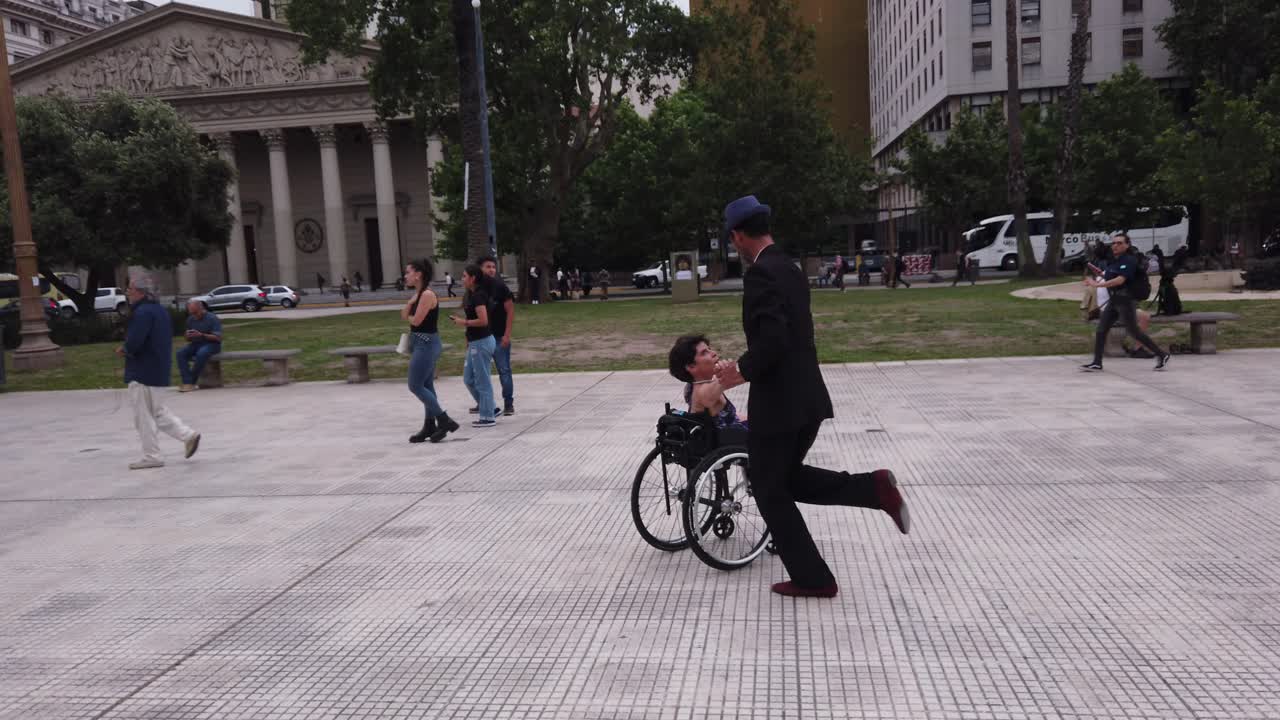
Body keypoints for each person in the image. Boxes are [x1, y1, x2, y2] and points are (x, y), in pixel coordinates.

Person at [712, 195, 909, 598]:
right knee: (784, 480)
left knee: (769, 489)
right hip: (808, 401)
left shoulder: (761, 274)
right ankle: (874, 489)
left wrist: (739, 371)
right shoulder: (790, 268)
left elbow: (774, 340)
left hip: (780, 406)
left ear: (737, 236)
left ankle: (814, 578)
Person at [116, 273, 200, 470]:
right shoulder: (159, 310)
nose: (128, 293)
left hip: (142, 370)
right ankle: (188, 435)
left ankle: (152, 455)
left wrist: (125, 349)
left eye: (130, 289)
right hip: (159, 367)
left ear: (140, 292)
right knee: (157, 411)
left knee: (143, 416)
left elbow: (135, 341)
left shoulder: (142, 313)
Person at [1082, 233, 1171, 372]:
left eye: (1120, 243)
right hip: (1115, 300)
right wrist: (1100, 275)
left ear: (1127, 245)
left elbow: (1120, 280)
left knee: (1134, 331)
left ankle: (1162, 354)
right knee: (1101, 330)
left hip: (1126, 300)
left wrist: (1096, 285)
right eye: (1114, 243)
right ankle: (1097, 363)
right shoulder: (1114, 260)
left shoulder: (1129, 260)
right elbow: (1110, 276)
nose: (1115, 246)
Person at [401, 259, 459, 444]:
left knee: (415, 385)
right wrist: (410, 306)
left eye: (408, 272)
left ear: (418, 274)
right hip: (421, 343)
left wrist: (409, 312)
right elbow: (405, 316)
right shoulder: (418, 294)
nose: (405, 275)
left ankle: (444, 420)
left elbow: (416, 321)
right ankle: (429, 425)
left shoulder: (426, 295)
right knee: (426, 385)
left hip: (426, 344)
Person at [668, 335, 747, 437]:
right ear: (691, 366)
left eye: (709, 349)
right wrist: (727, 374)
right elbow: (738, 377)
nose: (713, 353)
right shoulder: (702, 393)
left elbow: (731, 417)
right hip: (733, 441)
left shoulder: (692, 386)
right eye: (704, 353)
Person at [450, 265, 498, 427]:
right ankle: (491, 407)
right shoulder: (472, 295)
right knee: (469, 378)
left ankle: (488, 416)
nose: (462, 279)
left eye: (464, 276)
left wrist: (463, 322)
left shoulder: (478, 296)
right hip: (474, 342)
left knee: (482, 381)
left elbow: (483, 321)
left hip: (482, 342)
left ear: (473, 278)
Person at [479, 256, 516, 416]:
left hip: (499, 336)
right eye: (488, 266)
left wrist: (507, 334)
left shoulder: (500, 287)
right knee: (480, 373)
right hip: (481, 337)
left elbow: (510, 311)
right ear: (480, 269)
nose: (491, 270)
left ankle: (508, 403)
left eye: (493, 267)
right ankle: (484, 403)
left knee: (504, 370)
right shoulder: (476, 288)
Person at [176, 299, 222, 392]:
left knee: (201, 354)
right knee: (180, 353)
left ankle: (191, 382)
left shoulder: (212, 318)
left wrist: (202, 335)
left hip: (212, 344)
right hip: (196, 343)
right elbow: (188, 339)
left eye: (195, 313)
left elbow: (218, 338)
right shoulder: (190, 319)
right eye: (191, 313)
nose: (194, 315)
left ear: (201, 308)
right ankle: (187, 382)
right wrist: (187, 336)